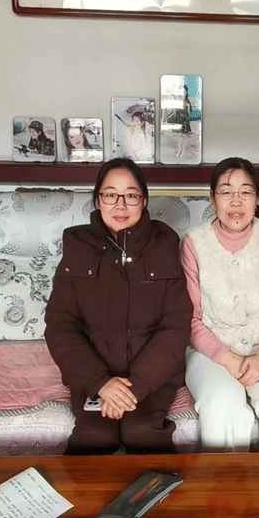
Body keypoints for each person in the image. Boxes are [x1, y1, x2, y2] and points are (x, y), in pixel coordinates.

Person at [44, 158, 192, 454]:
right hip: (94, 371)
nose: (120, 205)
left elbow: (175, 326)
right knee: (95, 435)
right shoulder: (77, 245)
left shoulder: (164, 243)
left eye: (131, 195)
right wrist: (101, 383)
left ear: (144, 201)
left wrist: (135, 387)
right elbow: (61, 327)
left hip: (152, 375)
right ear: (98, 200)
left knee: (142, 432)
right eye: (110, 195)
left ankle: (161, 486)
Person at [180, 158, 259, 451]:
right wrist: (227, 359)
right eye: (226, 192)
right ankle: (226, 483)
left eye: (245, 192)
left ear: (257, 197)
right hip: (209, 351)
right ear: (213, 198)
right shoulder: (194, 242)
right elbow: (190, 319)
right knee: (222, 405)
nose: (236, 201)